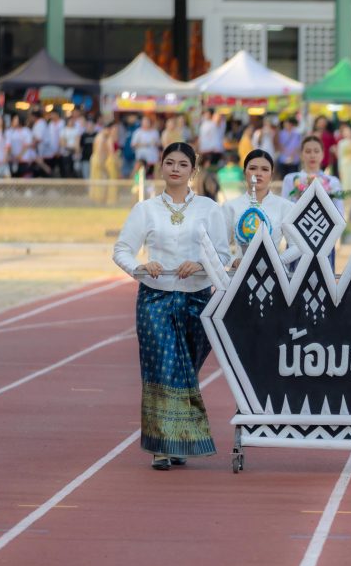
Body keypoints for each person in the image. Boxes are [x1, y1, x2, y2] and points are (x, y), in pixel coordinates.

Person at [113, 142, 230, 470]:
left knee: (185, 371)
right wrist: (140, 267)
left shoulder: (209, 209)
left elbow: (222, 254)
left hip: (196, 299)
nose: (175, 169)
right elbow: (122, 250)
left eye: (182, 164)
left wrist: (201, 264)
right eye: (170, 163)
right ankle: (162, 447)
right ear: (161, 166)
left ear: (193, 170)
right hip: (155, 298)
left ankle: (178, 438)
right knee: (162, 368)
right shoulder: (145, 210)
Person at [224, 149, 296, 267]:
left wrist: (277, 261)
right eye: (253, 168)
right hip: (239, 274)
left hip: (274, 274)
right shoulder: (230, 207)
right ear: (244, 172)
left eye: (265, 169)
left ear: (271, 175)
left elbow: (297, 245)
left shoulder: (285, 206)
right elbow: (219, 248)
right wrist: (234, 261)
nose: (258, 173)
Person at [281, 135, 344, 216]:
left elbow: (339, 212)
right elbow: (284, 209)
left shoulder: (333, 181)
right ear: (301, 154)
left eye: (316, 151)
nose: (312, 155)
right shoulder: (290, 179)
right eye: (308, 151)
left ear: (323, 154)